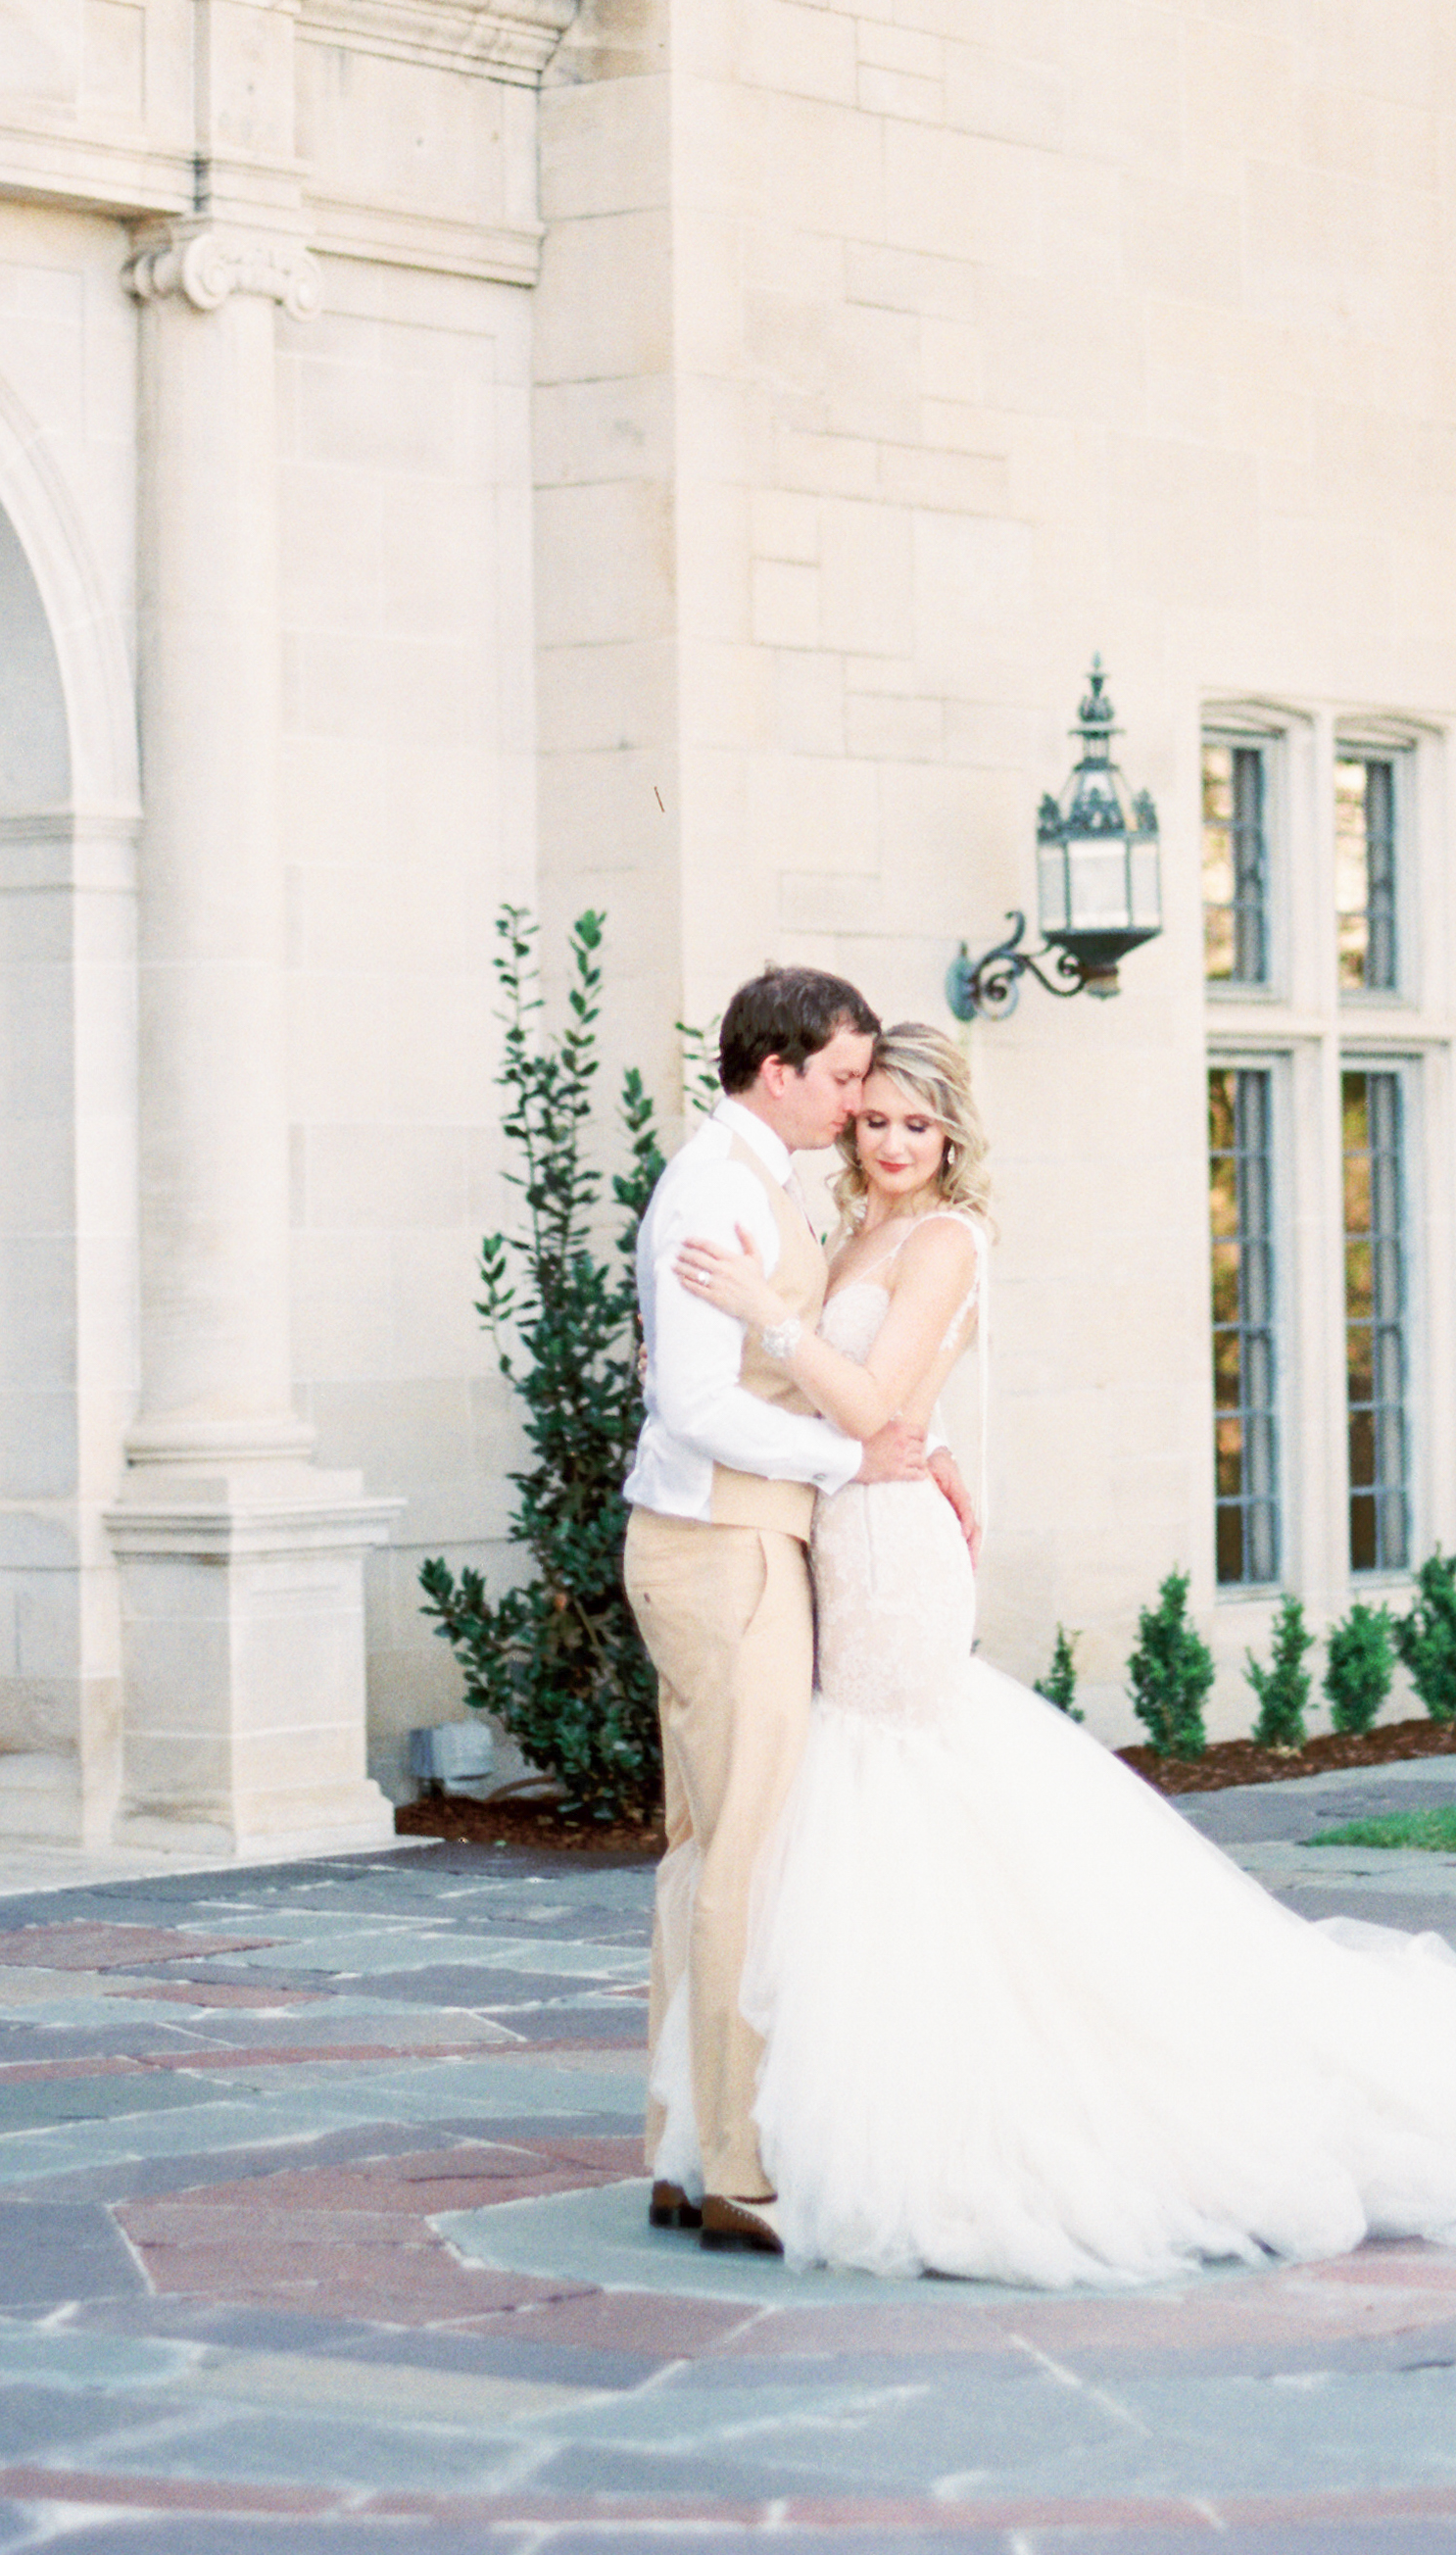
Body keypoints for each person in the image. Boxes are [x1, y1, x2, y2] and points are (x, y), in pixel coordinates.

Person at [673, 1020, 1456, 2289]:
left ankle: (948, 2121)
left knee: (899, 1789)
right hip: (843, 1521)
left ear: (954, 1135)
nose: (893, 1145)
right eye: (874, 1120)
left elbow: (870, 1402)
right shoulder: (854, 1229)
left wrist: (768, 1320)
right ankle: (839, 2107)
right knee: (876, 1801)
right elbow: (876, 1407)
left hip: (885, 1555)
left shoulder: (941, 1237)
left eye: (919, 1126)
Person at [618, 964, 945, 2259]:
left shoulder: (752, 1179)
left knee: (705, 1849)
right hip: (728, 1544)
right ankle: (738, 2169)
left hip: (718, 1539)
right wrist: (845, 1457)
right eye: (847, 1078)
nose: (861, 1104)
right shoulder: (718, 1190)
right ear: (782, 1071)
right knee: (739, 1854)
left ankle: (681, 2148)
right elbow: (692, 1405)